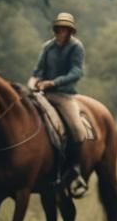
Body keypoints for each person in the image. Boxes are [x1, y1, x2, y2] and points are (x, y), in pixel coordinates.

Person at [29, 12, 88, 198]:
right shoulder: (47, 47)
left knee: (77, 129)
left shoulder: (76, 47)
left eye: (65, 29)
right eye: (58, 29)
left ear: (70, 31)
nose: (61, 32)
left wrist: (53, 82)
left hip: (64, 94)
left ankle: (75, 170)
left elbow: (77, 72)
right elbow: (38, 70)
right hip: (43, 93)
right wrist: (33, 83)